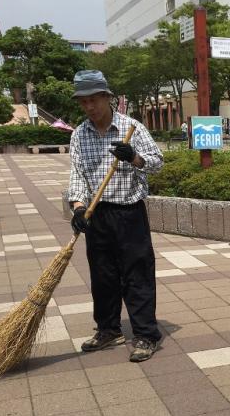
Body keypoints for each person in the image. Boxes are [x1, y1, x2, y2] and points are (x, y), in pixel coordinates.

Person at [68, 70, 164, 363]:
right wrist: (78, 207)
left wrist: (133, 157)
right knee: (103, 276)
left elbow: (157, 163)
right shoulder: (79, 134)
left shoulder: (131, 127)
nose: (89, 107)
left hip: (129, 213)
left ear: (107, 98)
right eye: (83, 102)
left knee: (137, 275)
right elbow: (77, 175)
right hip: (97, 216)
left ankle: (146, 334)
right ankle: (109, 329)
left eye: (94, 100)